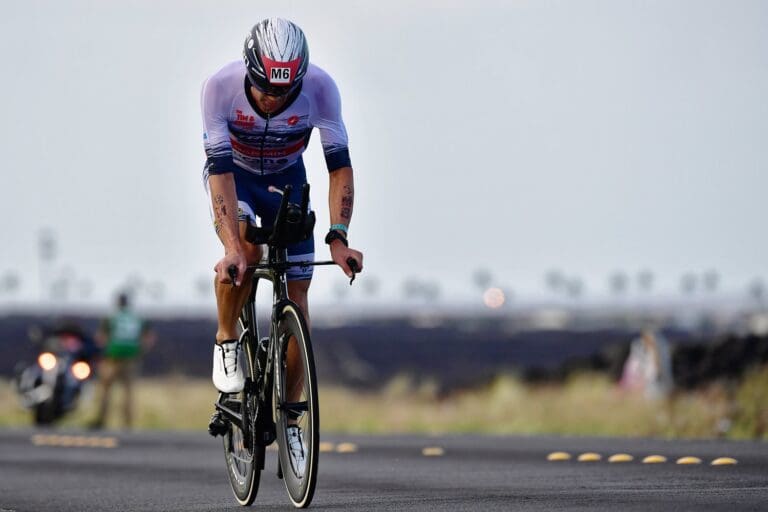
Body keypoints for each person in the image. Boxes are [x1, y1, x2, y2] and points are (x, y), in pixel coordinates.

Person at [201, 17, 363, 475]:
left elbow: (339, 169)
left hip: (288, 182)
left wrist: (339, 235)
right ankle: (227, 337)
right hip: (237, 181)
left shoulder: (322, 89)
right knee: (245, 256)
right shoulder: (219, 88)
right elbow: (218, 173)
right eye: (266, 90)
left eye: (285, 92)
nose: (274, 99)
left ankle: (292, 419)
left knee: (298, 293)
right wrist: (232, 244)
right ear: (250, 72)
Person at [90, 292, 155, 429]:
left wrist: (102, 352)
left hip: (112, 359)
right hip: (131, 359)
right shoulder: (136, 318)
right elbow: (148, 337)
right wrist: (139, 350)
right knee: (128, 393)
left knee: (105, 391)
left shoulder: (111, 317)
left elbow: (101, 338)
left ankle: (101, 420)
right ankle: (127, 424)